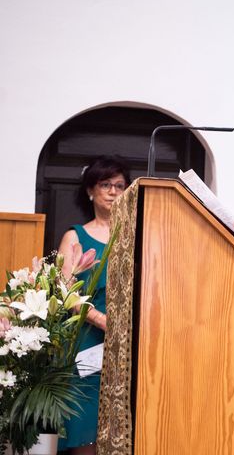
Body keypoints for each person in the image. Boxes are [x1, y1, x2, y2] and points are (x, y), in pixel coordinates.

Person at [57, 155, 131, 455]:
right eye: (106, 184)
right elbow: (67, 295)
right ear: (90, 190)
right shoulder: (75, 236)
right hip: (87, 341)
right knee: (84, 427)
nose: (114, 191)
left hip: (126, 344)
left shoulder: (134, 234)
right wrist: (103, 320)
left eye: (120, 185)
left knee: (122, 427)